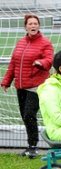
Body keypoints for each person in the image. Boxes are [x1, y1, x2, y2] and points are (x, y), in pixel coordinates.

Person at [1, 14, 54, 158]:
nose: (33, 26)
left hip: (36, 86)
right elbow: (13, 64)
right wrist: (6, 81)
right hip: (21, 85)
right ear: (26, 26)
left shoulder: (45, 43)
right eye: (30, 23)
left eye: (35, 23)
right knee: (25, 117)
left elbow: (49, 60)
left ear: (39, 26)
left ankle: (33, 146)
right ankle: (31, 145)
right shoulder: (20, 43)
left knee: (29, 115)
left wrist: (40, 63)